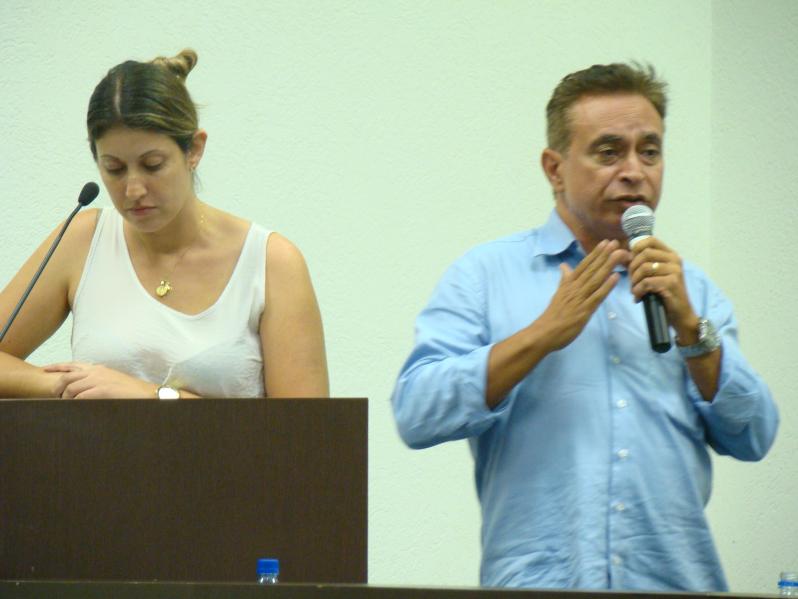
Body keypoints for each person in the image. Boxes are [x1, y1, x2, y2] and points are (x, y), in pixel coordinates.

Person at [391, 63, 778, 591]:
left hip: (675, 585)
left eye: (650, 151)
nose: (634, 171)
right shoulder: (484, 276)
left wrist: (692, 331)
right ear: (554, 169)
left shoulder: (694, 293)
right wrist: (541, 335)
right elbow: (416, 413)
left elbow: (755, 435)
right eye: (609, 152)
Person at [0, 49, 328, 399]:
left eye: (153, 165)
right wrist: (63, 385)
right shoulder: (83, 239)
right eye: (114, 169)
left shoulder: (272, 263)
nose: (133, 189)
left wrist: (152, 396)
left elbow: (307, 428)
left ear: (194, 150)